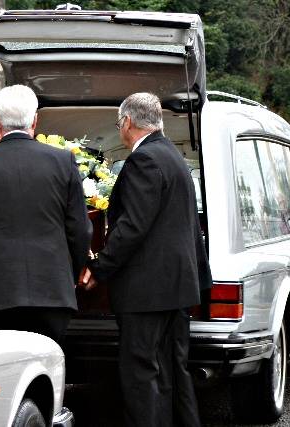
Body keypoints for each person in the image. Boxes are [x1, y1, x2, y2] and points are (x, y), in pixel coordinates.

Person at [82, 92, 210, 427]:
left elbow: (132, 226)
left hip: (147, 292)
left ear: (127, 122)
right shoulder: (172, 157)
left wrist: (100, 267)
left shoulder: (145, 160)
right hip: (176, 288)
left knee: (142, 375)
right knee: (172, 374)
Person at [0, 84, 92, 345]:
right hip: (53, 289)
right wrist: (71, 272)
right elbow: (80, 228)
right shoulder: (62, 161)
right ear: (35, 120)